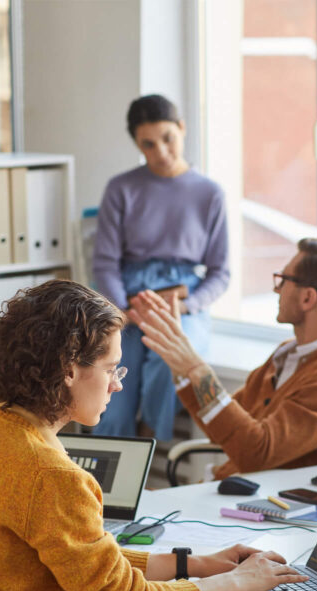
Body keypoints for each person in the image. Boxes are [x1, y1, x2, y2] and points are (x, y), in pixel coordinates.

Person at [0, 280, 307, 591]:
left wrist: (192, 564)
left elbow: (84, 566)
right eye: (111, 369)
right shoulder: (51, 475)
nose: (118, 384)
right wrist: (233, 582)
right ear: (69, 369)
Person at [132, 237, 317, 479]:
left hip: (261, 503)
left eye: (284, 280)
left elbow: (257, 454)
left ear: (308, 298)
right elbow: (222, 430)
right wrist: (180, 367)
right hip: (226, 488)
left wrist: (196, 369)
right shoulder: (288, 354)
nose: (276, 289)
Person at [92, 93, 229, 441]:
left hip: (182, 297)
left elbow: (220, 272)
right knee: (107, 370)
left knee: (167, 364)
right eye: (148, 145)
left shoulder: (210, 193)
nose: (162, 152)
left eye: (168, 138)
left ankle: (147, 444)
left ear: (182, 129)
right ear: (137, 145)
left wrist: (185, 306)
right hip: (126, 295)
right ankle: (111, 466)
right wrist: (124, 310)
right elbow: (105, 262)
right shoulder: (121, 189)